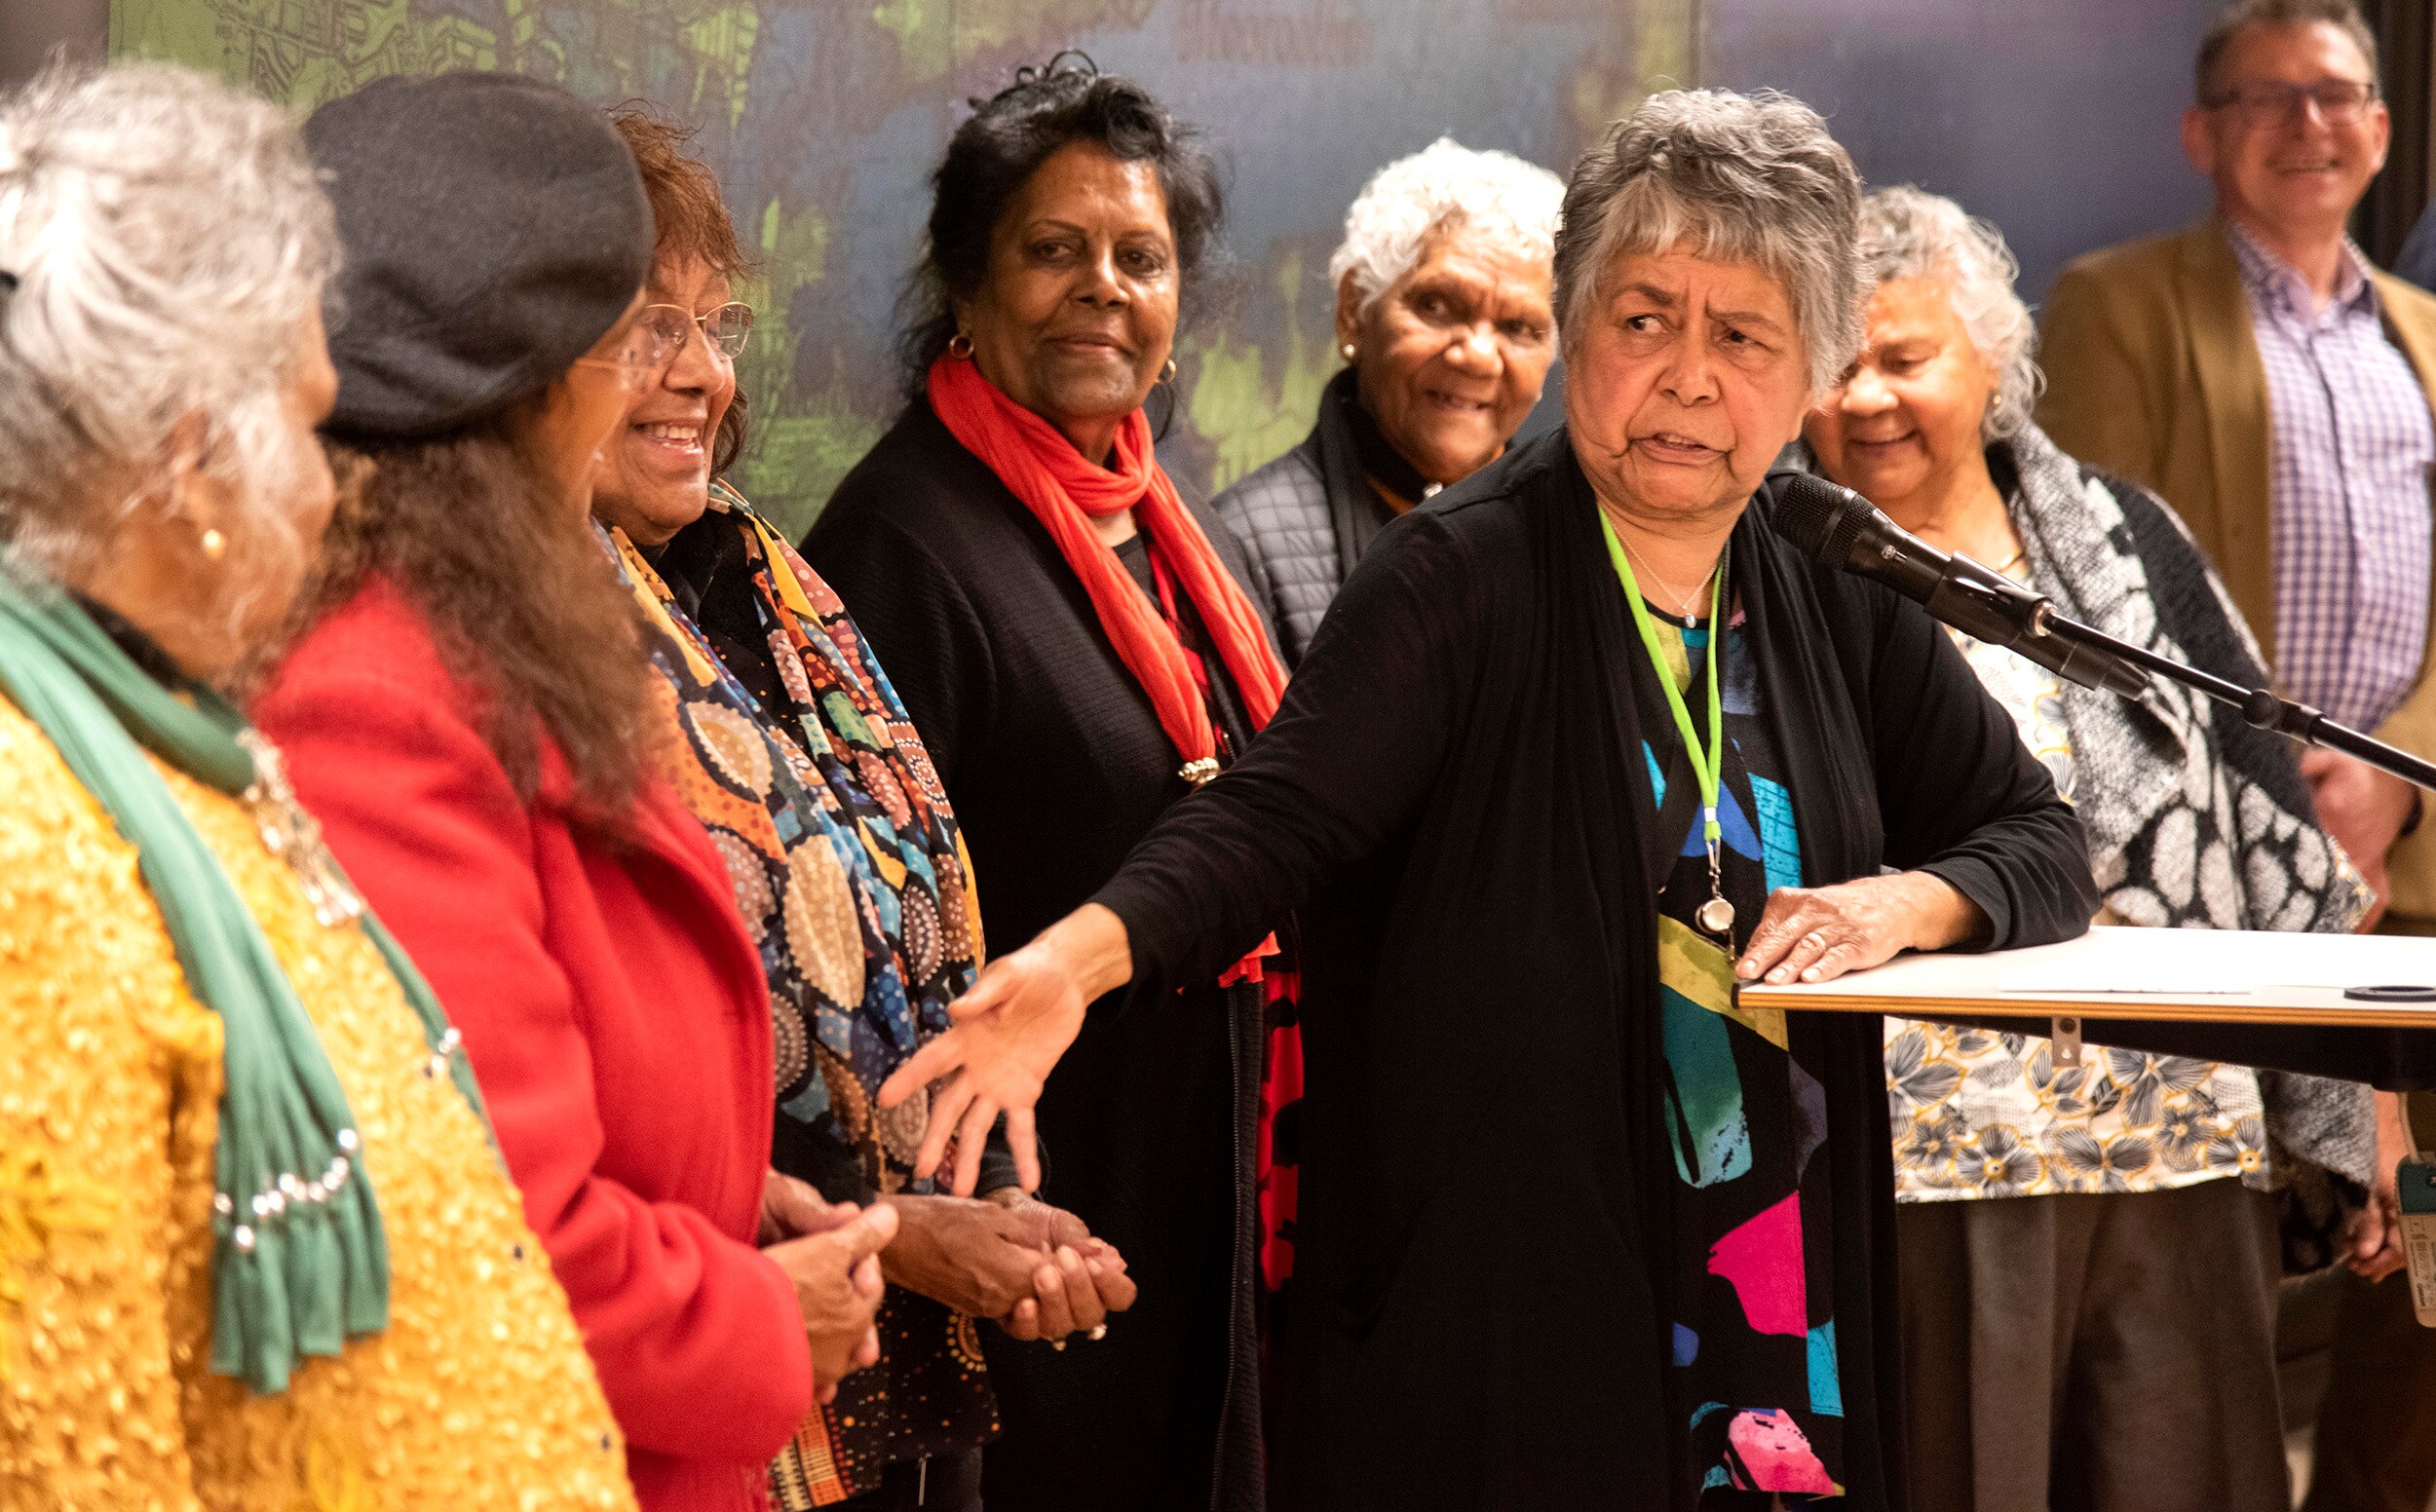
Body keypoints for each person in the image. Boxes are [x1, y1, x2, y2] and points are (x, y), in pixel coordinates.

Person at [878, 88, 2103, 1510]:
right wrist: (1066, 968)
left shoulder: (1828, 576)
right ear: (1579, 325)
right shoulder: (1465, 573)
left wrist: (1911, 899)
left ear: (1812, 365)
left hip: (1785, 1315)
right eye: (1644, 318)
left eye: (1744, 334)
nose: (1690, 377)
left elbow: (2037, 836)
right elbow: (1271, 819)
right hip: (1508, 1338)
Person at [249, 72, 895, 1512]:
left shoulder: (481, 624)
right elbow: (487, 1229)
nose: (686, 378)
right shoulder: (374, 697)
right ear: (541, 377)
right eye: (635, 335)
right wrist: (753, 1320)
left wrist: (725, 1206)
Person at [0, 63, 633, 1510]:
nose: (331, 479)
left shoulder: (154, 750)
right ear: (188, 467)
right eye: (306, 419)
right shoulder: (27, 854)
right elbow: (64, 1452)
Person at [1806, 184, 2381, 1512]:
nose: (1866, 400)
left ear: (1993, 364)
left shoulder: (2124, 536)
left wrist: (2361, 1103)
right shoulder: (1779, 562)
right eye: (1834, 369)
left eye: (1904, 358)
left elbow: (2269, 813)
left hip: (2179, 1120)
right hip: (1938, 1144)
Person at [590, 106, 1134, 1512]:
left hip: (878, 1358)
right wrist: (896, 1227)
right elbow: (599, 1084)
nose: (701, 375)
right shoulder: (519, 636)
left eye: (718, 327)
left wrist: (972, 1216)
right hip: (677, 1377)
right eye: (648, 326)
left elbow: (889, 944)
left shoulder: (763, 579)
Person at [803, 55, 1285, 1512]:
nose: (1103, 287)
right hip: (1020, 1229)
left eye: (1140, 258)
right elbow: (849, 957)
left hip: (1194, 1190)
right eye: (1053, 250)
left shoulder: (1158, 512)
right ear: (967, 282)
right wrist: (969, 1217)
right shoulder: (900, 544)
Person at [2036, 6, 2436, 1505]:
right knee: (2219, 1225)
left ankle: (2377, 1492)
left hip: (2409, 855)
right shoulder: (2116, 303)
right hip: (2224, 864)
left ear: (2382, 134)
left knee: (2425, 1239)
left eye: (2338, 96)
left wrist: (2392, 766)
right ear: (2201, 135)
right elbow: (2096, 585)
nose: (2307, 122)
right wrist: (2283, 791)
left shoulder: (2428, 334)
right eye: (2265, 97)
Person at [1213, 137, 1563, 665]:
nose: (1479, 357)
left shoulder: (1581, 541)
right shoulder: (1238, 547)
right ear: (1354, 309)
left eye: (1520, 327)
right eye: (1438, 305)